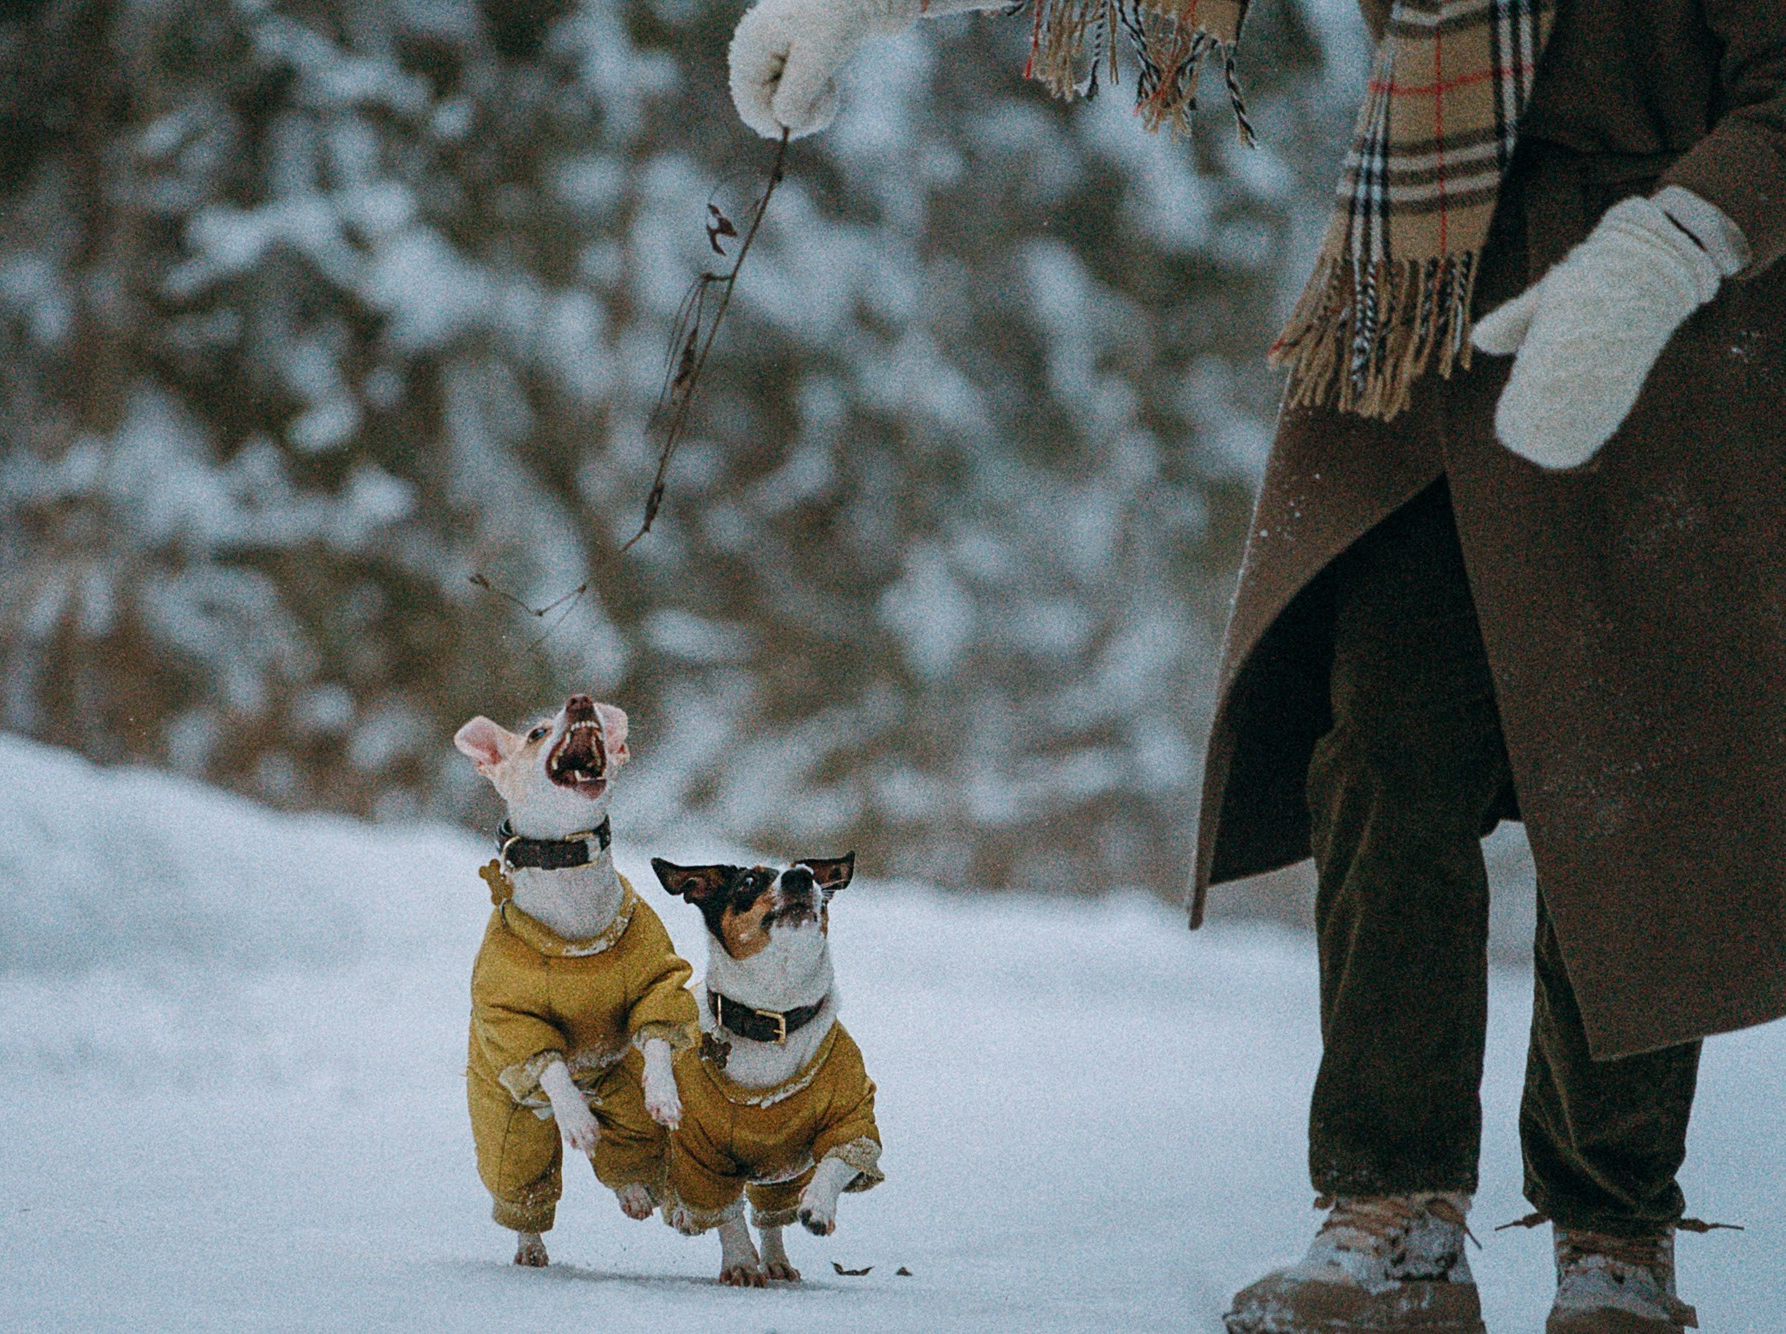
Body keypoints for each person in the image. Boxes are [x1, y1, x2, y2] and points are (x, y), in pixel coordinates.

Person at [722, 1, 1786, 1330]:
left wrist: (1668, 249)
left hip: (1678, 323)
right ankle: (1394, 1222)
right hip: (1425, 300)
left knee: (1628, 773)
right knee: (1386, 742)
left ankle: (1615, 1238)